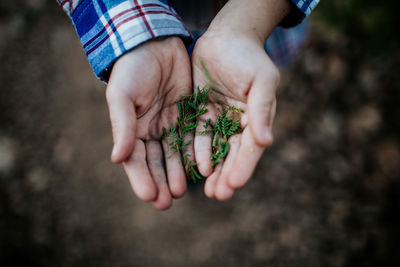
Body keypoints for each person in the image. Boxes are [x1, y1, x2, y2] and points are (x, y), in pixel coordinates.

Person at [58, 0, 320, 210]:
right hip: (146, 19)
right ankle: (193, 170)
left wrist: (251, 16)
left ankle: (204, 166)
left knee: (246, 107)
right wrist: (137, 35)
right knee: (181, 149)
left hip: (258, 24)